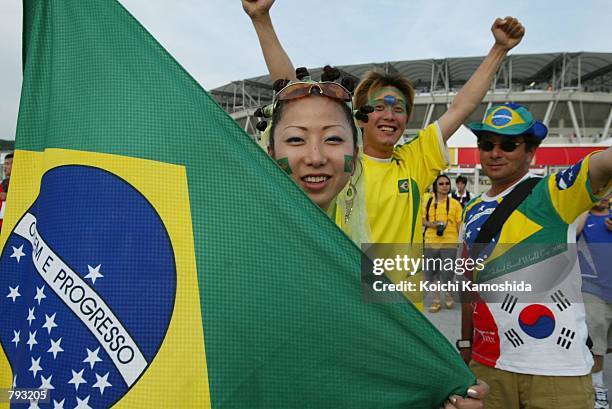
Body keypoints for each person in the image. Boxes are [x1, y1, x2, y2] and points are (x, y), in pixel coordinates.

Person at [242, 0, 525, 246]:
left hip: (395, 305)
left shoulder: (415, 160)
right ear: (358, 116)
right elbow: (295, 97)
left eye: (399, 109)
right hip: (343, 295)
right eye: (378, 107)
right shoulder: (339, 161)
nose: (390, 116)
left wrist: (498, 50)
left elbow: (461, 108)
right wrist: (261, 19)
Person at [458, 103, 612, 409]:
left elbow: (603, 165)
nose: (495, 152)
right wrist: (466, 344)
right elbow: (468, 286)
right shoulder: (471, 209)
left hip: (557, 372)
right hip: (489, 365)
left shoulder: (555, 193)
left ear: (530, 152)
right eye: (487, 144)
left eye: (509, 144)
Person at [577, 196, 612, 409]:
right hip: (592, 290)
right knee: (596, 346)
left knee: (604, 345)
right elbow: (571, 234)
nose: (604, 194)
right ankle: (598, 389)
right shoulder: (583, 218)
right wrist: (585, 204)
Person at [423, 174, 463, 312]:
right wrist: (431, 224)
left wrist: (461, 242)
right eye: (441, 184)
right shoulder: (427, 201)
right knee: (433, 273)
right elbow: (421, 220)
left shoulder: (455, 204)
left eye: (447, 183)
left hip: (450, 242)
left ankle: (448, 293)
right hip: (430, 241)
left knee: (447, 272)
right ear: (435, 186)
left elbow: (460, 224)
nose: (445, 186)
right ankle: (436, 300)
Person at [0, 152, 12, 232]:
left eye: (7, 164)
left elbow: (3, 196)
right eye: (5, 164)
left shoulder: (22, 182)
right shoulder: (5, 181)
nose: (4, 167)